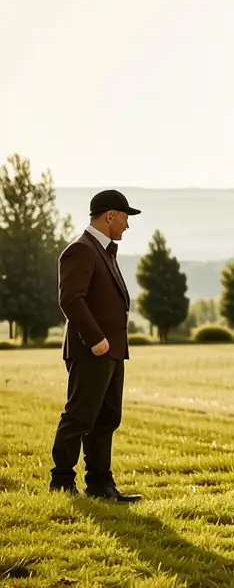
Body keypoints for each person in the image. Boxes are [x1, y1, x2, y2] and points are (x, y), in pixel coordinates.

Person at [48, 189, 143, 502]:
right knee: (80, 417)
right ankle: (61, 482)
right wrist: (96, 340)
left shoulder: (104, 250)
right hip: (93, 350)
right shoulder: (81, 249)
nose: (127, 225)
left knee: (107, 419)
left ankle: (101, 485)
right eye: (125, 218)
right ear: (110, 216)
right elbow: (70, 299)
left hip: (113, 351)